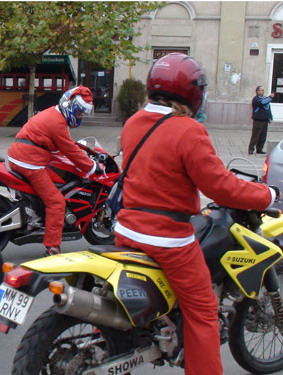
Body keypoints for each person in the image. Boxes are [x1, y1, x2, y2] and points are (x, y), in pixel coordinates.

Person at [113, 53, 279, 375]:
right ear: (194, 92)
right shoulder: (187, 130)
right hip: (166, 240)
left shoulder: (134, 122)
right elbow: (221, 188)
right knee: (202, 310)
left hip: (127, 229)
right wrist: (267, 194)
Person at [7, 86, 100, 256]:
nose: (79, 117)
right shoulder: (57, 122)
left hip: (20, 155)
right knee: (56, 201)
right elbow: (69, 149)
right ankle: (52, 247)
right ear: (70, 106)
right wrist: (93, 167)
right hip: (29, 161)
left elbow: (59, 146)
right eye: (79, 113)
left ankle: (35, 213)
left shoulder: (52, 113)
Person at [249, 85, 275, 155]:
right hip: (258, 120)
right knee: (256, 135)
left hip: (265, 120)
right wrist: (270, 97)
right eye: (262, 90)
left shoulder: (265, 98)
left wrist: (270, 117)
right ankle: (251, 149)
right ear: (257, 91)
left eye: (263, 90)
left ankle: (259, 149)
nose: (263, 91)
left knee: (263, 136)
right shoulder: (256, 99)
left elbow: (268, 108)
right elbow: (262, 103)